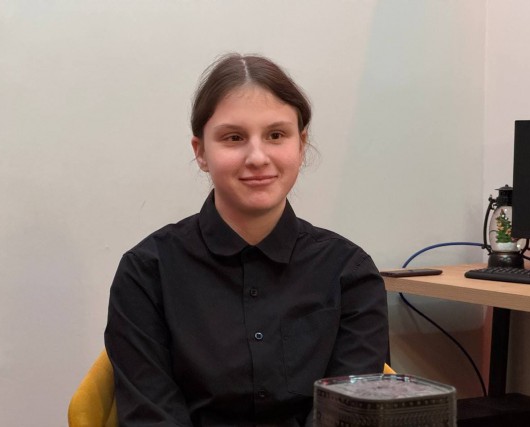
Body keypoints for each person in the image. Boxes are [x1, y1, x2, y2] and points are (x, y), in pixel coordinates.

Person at [105, 53, 389, 427]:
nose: (257, 157)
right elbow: (151, 417)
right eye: (234, 137)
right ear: (200, 152)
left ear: (301, 145)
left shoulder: (350, 273)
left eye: (276, 135)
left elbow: (348, 416)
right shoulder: (147, 273)